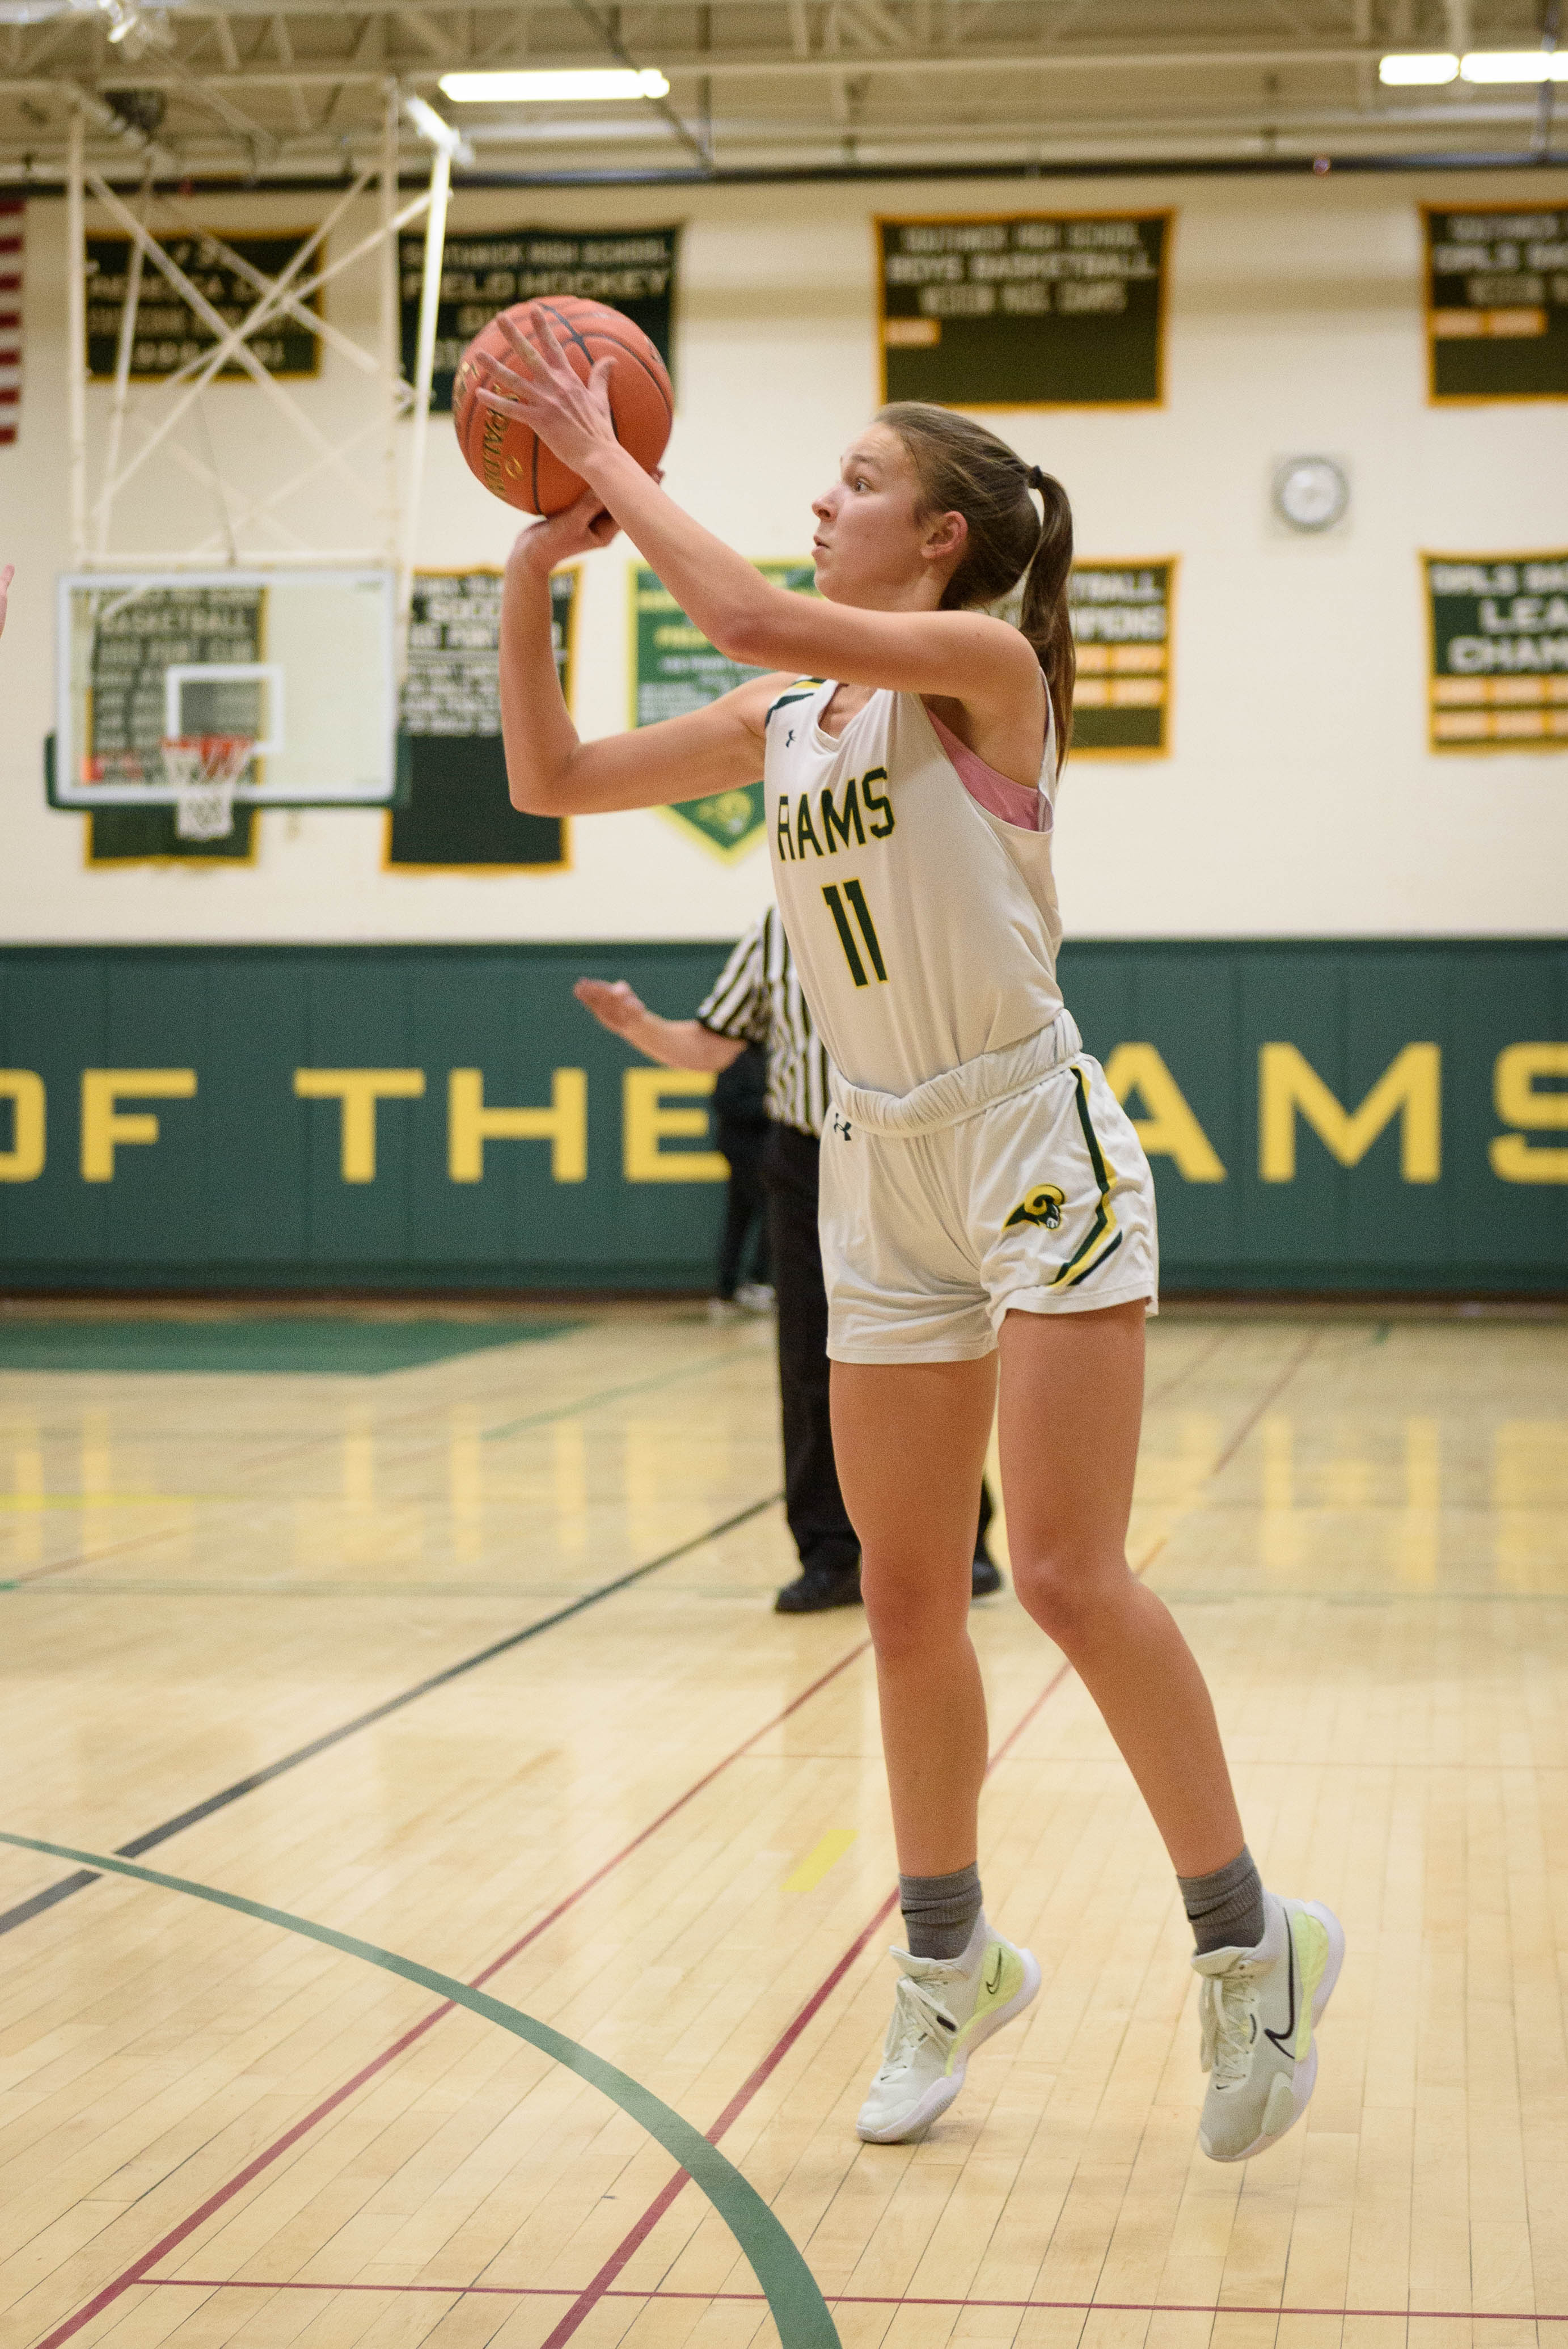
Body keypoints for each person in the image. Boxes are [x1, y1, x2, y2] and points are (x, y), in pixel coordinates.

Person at [476, 320, 1343, 2166]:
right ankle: (948, 1960)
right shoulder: (785, 727)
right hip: (868, 1170)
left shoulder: (978, 668)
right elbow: (548, 781)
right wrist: (529, 570)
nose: (817, 499)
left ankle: (1248, 1941)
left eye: (854, 480)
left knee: (1061, 1571)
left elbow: (756, 615)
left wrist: (600, 454)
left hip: (1027, 1148)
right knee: (895, 1589)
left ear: (939, 536)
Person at [574, 913, 1003, 1612]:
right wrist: (637, 1022)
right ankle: (830, 1553)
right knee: (810, 1361)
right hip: (805, 1158)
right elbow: (710, 1047)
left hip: (912, 1152)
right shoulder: (774, 932)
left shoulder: (919, 902)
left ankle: (962, 1546)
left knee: (930, 1354)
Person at [707, 1038, 774, 1317]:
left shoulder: (772, 1056)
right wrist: (768, 1106)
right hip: (744, 1152)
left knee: (744, 1218)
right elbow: (724, 1100)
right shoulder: (737, 1057)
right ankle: (751, 1284)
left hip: (762, 1152)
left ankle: (732, 1287)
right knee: (762, 1215)